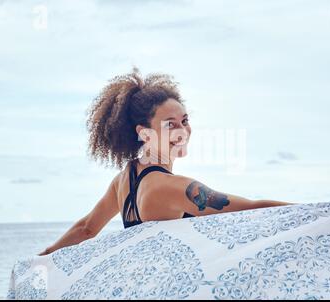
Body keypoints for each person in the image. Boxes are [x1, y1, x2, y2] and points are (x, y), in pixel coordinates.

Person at [38, 67, 293, 256]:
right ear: (144, 133)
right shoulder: (169, 186)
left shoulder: (124, 179)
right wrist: (323, 213)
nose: (183, 131)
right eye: (170, 125)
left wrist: (44, 258)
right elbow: (250, 210)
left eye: (185, 121)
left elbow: (86, 229)